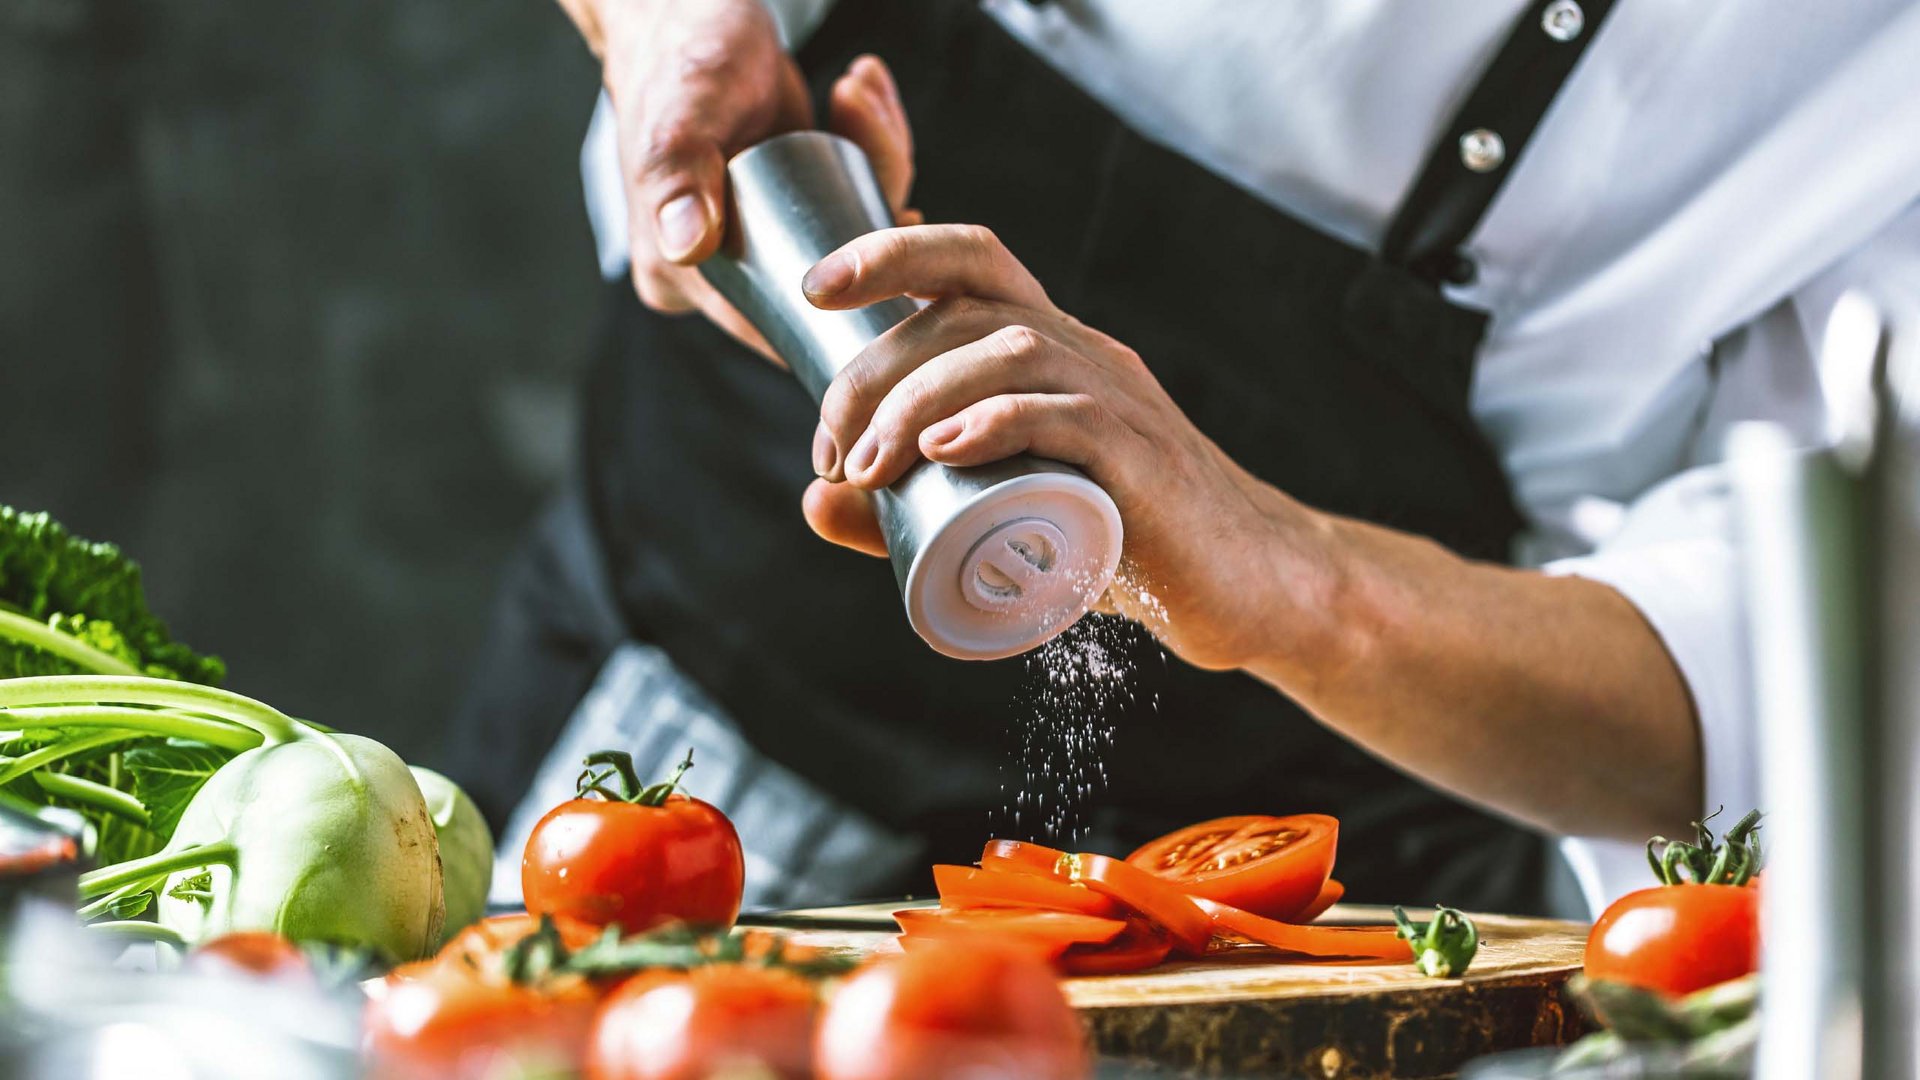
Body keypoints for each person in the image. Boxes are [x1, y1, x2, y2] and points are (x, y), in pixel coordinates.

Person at [443, 0, 1920, 915]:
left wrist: (1299, 581)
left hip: (1265, 905)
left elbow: (1790, 671)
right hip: (688, 734)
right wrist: (664, 27)